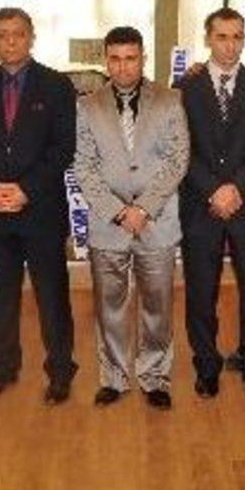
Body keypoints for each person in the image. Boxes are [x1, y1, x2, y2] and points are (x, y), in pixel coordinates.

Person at [0, 7, 78, 405]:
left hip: (41, 209)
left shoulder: (56, 85)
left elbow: (63, 148)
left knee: (52, 297)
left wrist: (26, 189)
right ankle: (3, 368)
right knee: (1, 296)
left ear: (31, 38)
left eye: (18, 34)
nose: (10, 41)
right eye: (2, 34)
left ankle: (60, 371)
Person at [73, 25, 188, 410]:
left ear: (143, 58)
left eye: (131, 58)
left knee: (158, 304)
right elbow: (84, 166)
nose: (123, 67)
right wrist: (119, 211)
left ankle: (155, 376)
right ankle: (115, 377)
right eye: (116, 59)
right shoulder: (88, 106)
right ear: (106, 61)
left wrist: (144, 209)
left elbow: (177, 160)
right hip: (108, 224)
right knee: (110, 305)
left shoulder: (170, 100)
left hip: (157, 221)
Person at [178, 8, 245, 400]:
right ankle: (206, 366)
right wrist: (212, 190)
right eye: (222, 36)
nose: (230, 45)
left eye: (237, 36)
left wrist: (236, 188)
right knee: (201, 292)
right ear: (208, 38)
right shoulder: (185, 88)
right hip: (200, 205)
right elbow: (180, 149)